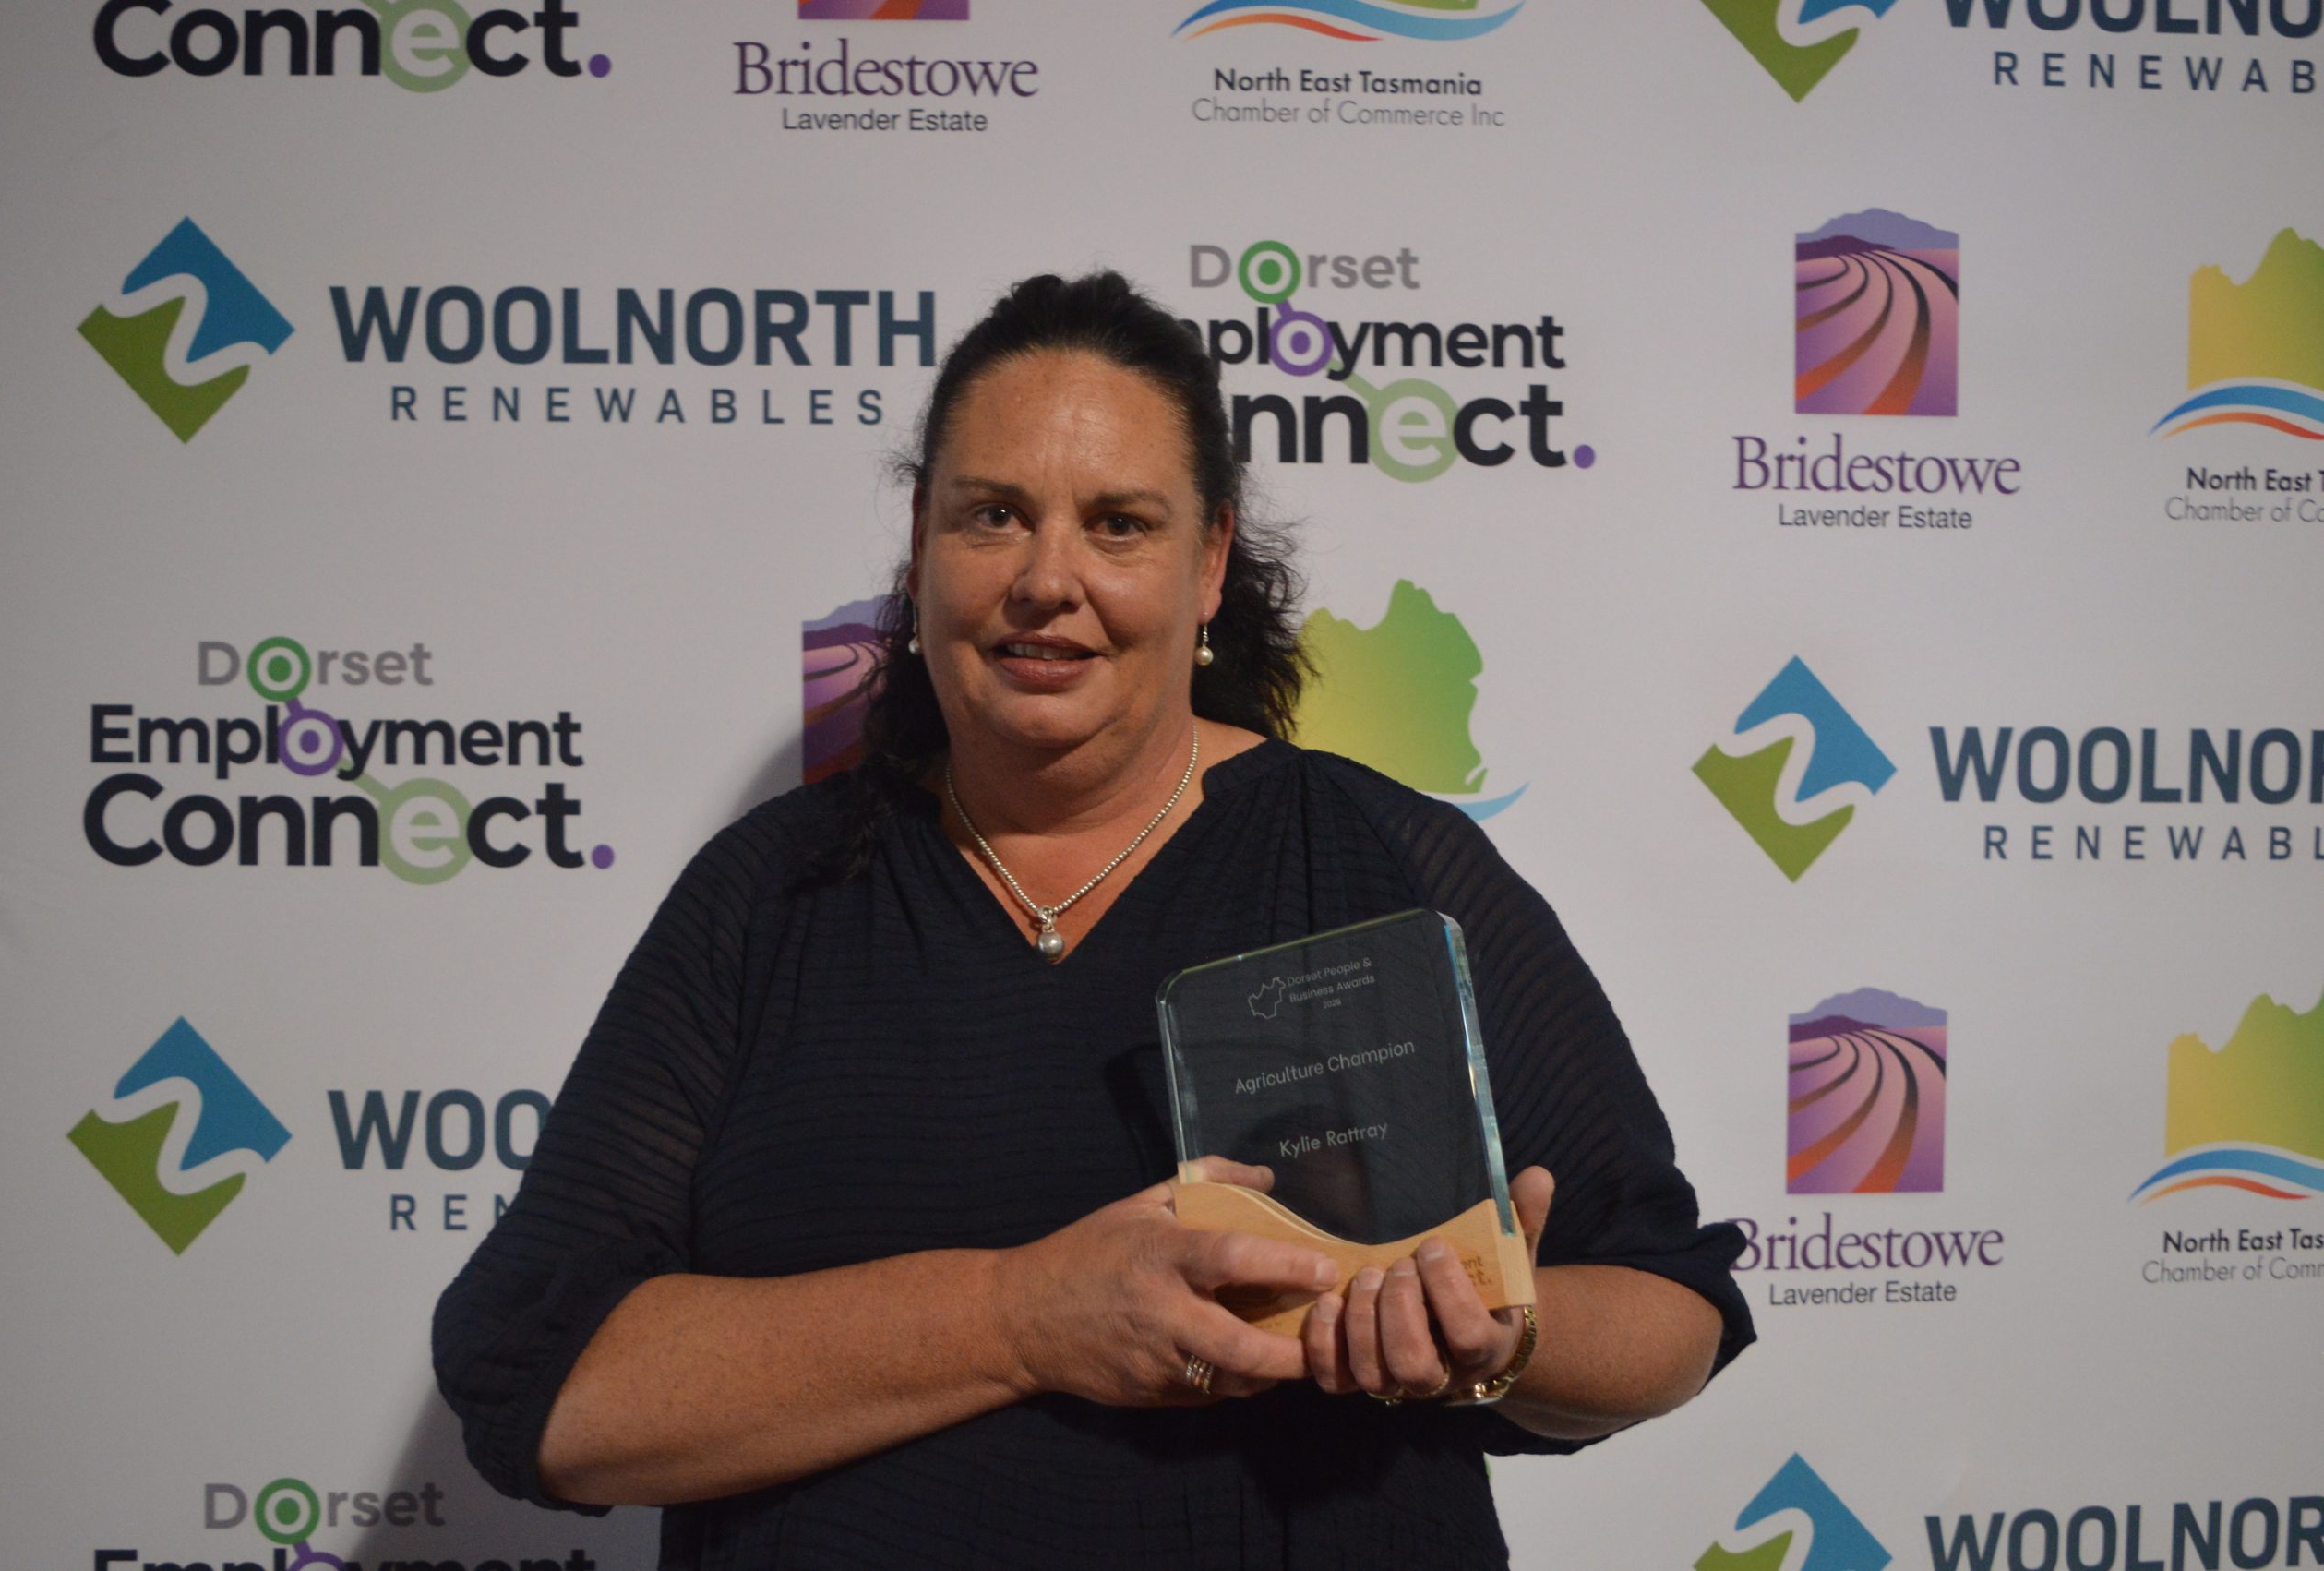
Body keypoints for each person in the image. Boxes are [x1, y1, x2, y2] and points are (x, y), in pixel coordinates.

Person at [434, 270, 1754, 1569]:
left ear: (1209, 562)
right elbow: (538, 1382)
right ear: (921, 543)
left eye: (1119, 524)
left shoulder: (1380, 862)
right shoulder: (767, 898)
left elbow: (1671, 1308)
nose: (1046, 579)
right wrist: (1018, 1317)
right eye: (993, 516)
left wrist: (1508, 1336)